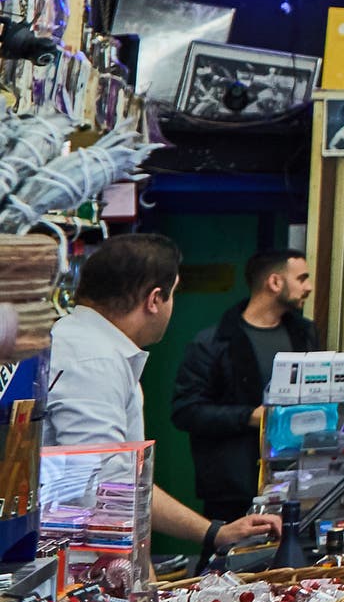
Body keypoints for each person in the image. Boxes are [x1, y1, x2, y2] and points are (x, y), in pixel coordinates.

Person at [47, 235, 282, 558]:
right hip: (74, 567)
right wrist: (143, 590)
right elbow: (107, 492)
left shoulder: (95, 348)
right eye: (174, 294)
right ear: (154, 299)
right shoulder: (93, 360)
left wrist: (214, 532)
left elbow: (126, 480)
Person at [168, 249, 319, 524]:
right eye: (302, 278)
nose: (308, 287)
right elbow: (186, 411)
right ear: (274, 282)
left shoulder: (306, 335)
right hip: (233, 488)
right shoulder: (213, 343)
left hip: (299, 480)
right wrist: (250, 417)